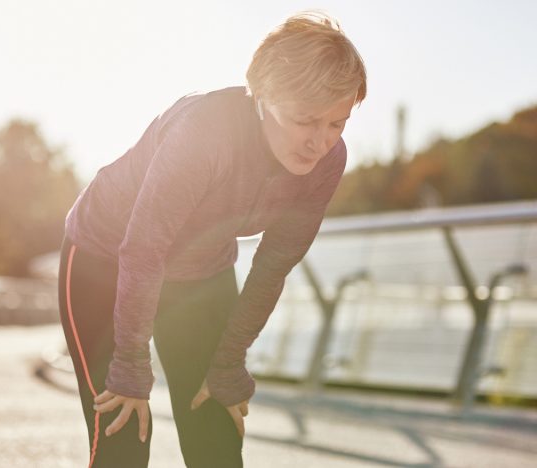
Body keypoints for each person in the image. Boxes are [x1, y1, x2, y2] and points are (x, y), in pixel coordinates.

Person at [58, 10, 366, 468]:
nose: (319, 143)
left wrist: (228, 361)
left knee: (216, 434)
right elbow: (143, 249)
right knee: (124, 436)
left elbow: (273, 264)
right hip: (105, 261)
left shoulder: (327, 161)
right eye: (306, 120)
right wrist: (130, 365)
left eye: (336, 124)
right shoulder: (203, 133)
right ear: (263, 96)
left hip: (201, 271)